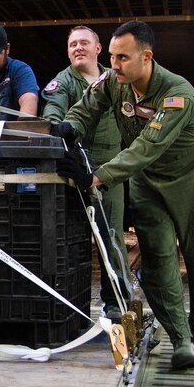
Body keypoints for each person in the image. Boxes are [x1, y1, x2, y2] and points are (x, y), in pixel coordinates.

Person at [55, 20, 194, 370]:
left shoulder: (179, 94)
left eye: (123, 58)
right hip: (146, 182)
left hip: (187, 179)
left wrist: (96, 177)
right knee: (159, 259)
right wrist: (69, 128)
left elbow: (148, 146)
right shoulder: (114, 82)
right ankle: (179, 339)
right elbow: (87, 107)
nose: (114, 65)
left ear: (147, 57)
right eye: (112, 57)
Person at [42, 26, 131, 320]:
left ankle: (118, 303)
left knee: (112, 237)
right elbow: (53, 110)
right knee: (67, 238)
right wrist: (56, 128)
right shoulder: (63, 82)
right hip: (73, 169)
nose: (77, 48)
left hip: (110, 171)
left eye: (83, 43)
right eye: (72, 45)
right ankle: (69, 304)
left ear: (98, 48)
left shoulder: (118, 78)